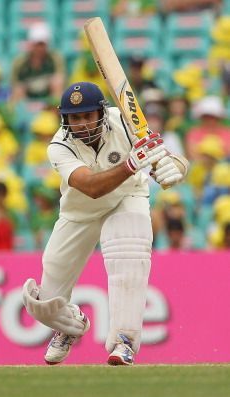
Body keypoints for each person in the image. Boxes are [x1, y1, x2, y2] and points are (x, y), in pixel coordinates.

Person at [21, 82, 189, 366]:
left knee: (129, 255)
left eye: (88, 115)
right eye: (75, 118)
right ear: (65, 120)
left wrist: (177, 167)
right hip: (80, 211)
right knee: (44, 303)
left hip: (128, 196)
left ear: (102, 111)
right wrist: (131, 165)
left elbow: (169, 155)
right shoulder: (59, 145)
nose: (83, 124)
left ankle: (124, 342)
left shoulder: (126, 123)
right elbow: (91, 187)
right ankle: (68, 325)